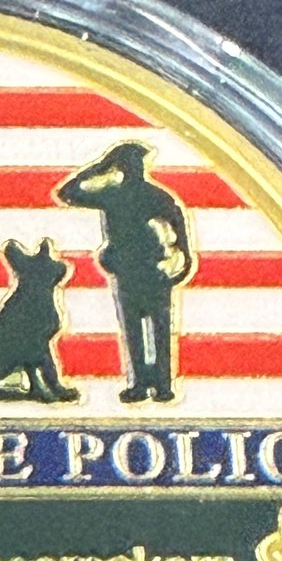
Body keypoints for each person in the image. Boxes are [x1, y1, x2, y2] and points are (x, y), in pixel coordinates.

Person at [56, 140, 194, 403]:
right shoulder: (114, 196)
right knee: (134, 329)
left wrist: (183, 262)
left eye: (135, 163)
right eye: (129, 163)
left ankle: (163, 384)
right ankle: (141, 384)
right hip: (127, 268)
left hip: (153, 268)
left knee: (159, 327)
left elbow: (178, 226)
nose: (134, 168)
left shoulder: (153, 196)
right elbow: (67, 193)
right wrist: (100, 166)